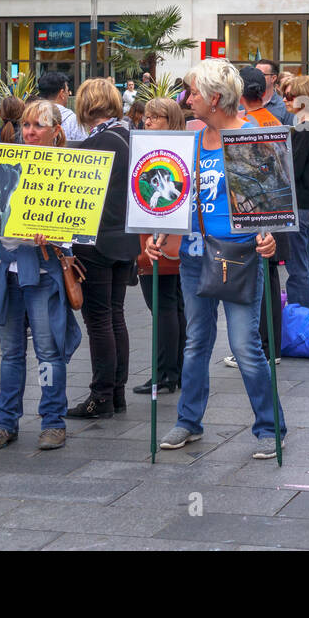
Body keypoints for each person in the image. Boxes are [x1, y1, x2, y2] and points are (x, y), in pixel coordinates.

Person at [148, 59, 286, 459]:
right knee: (196, 343)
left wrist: (269, 239)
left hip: (239, 254)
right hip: (194, 254)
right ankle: (188, 421)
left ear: (213, 97)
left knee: (245, 346)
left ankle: (269, 425)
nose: (186, 99)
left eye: (191, 92)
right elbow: (174, 198)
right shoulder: (190, 141)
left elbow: (271, 203)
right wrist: (159, 236)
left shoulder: (250, 136)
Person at [0, 100, 82, 451]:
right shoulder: (4, 163)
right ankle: (4, 422)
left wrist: (54, 234)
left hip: (42, 270)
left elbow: (77, 223)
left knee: (48, 351)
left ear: (57, 130)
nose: (29, 132)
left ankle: (53, 421)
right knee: (10, 353)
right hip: (6, 269)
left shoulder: (70, 168)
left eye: (38, 125)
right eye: (26, 125)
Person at [67, 78, 139, 419]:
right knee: (115, 316)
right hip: (126, 240)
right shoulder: (130, 138)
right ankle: (118, 391)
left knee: (98, 321)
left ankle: (101, 396)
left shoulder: (91, 146)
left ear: (84, 107)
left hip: (95, 243)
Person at [227, 68, 286, 365]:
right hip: (274, 208)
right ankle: (270, 345)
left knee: (257, 283)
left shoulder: (244, 124)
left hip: (252, 212)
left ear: (239, 94)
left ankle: (259, 347)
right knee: (270, 279)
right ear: (263, 91)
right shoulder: (274, 120)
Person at [134, 97, 188, 395]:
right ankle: (174, 369)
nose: (148, 121)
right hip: (173, 237)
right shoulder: (179, 148)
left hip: (159, 237)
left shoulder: (159, 152)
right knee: (173, 304)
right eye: (147, 116)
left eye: (156, 117)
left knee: (164, 304)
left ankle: (166, 373)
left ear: (171, 120)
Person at [283, 76, 309, 311]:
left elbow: (293, 169)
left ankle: (304, 314)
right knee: (304, 261)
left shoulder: (304, 128)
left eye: (289, 96)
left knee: (297, 266)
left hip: (300, 204)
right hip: (307, 204)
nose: (285, 100)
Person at [37, 70, 87, 143]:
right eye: (67, 91)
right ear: (61, 93)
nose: (68, 94)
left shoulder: (30, 115)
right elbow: (83, 145)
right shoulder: (72, 120)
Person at [254, 59, 295, 124]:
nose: (256, 77)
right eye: (255, 74)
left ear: (273, 78)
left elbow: (290, 133)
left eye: (261, 74)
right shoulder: (244, 104)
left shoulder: (285, 107)